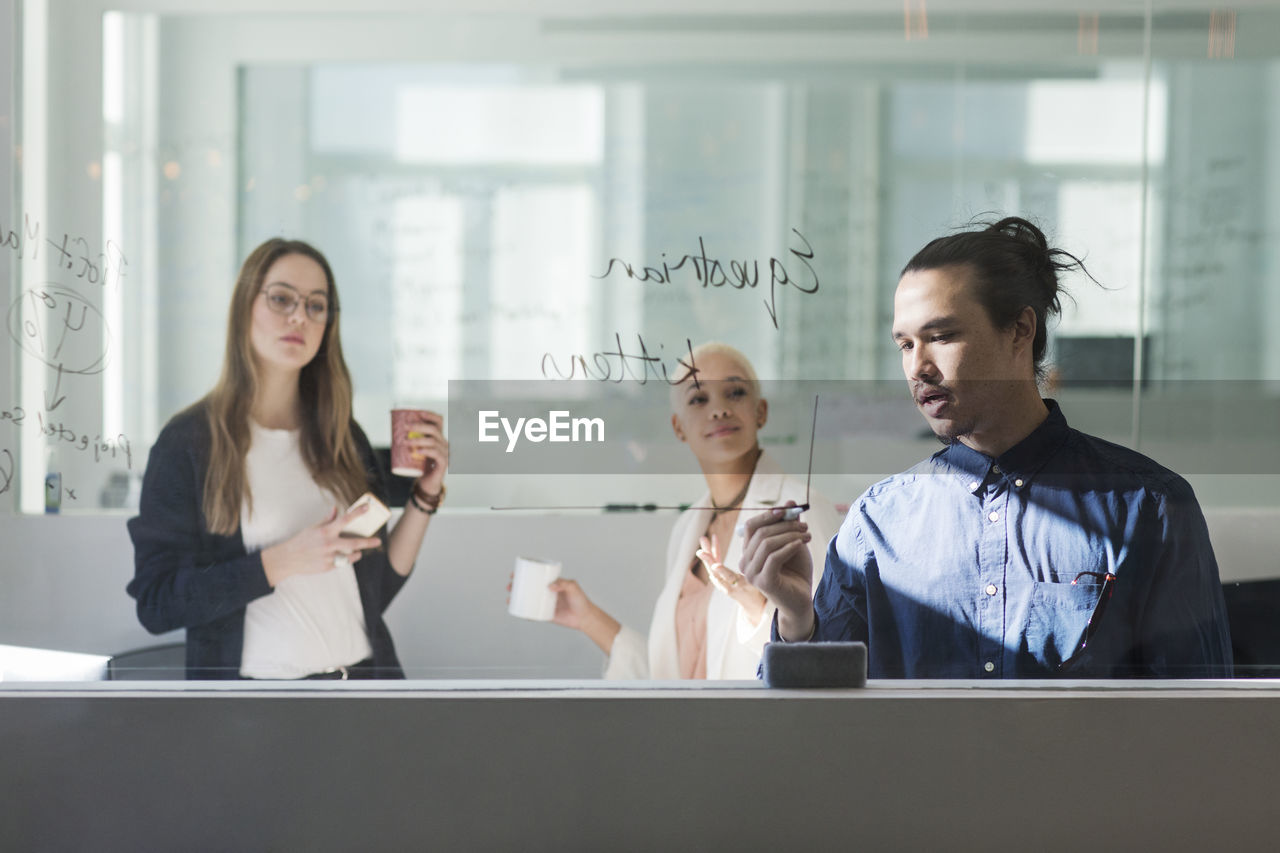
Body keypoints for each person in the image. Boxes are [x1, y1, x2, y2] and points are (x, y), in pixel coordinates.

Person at [742, 217, 1232, 678]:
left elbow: (1202, 723)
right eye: (906, 345)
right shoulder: (878, 522)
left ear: (1020, 330)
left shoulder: (1148, 506)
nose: (918, 368)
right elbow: (815, 726)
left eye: (941, 336)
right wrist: (795, 614)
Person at [126, 238, 448, 679]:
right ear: (245, 307)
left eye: (317, 306)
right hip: (255, 715)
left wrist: (424, 496)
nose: (299, 316)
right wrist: (278, 562)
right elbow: (157, 603)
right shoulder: (190, 443)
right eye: (281, 299)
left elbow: (377, 588)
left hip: (365, 694)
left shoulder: (341, 437)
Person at [546, 343, 840, 679]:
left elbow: (826, 659)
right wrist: (588, 618)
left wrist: (757, 610)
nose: (719, 410)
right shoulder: (689, 526)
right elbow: (675, 678)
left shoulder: (800, 510)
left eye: (735, 393)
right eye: (699, 399)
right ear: (678, 427)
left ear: (761, 411)